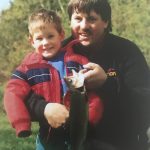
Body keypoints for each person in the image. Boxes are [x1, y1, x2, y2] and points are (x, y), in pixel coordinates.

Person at [24, 0, 150, 150]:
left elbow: (144, 101)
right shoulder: (53, 52)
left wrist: (107, 83)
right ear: (70, 21)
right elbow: (22, 92)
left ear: (105, 22)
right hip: (62, 143)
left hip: (117, 142)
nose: (83, 26)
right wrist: (43, 108)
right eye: (77, 19)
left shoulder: (126, 52)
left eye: (91, 19)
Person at [3, 9, 104, 150]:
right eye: (39, 38)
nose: (45, 43)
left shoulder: (78, 60)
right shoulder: (27, 68)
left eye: (50, 36)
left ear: (61, 35)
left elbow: (92, 93)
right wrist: (21, 124)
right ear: (31, 41)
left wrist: (88, 123)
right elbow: (11, 94)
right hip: (48, 136)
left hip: (79, 131)